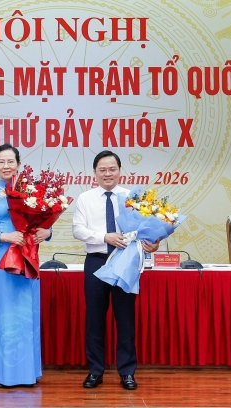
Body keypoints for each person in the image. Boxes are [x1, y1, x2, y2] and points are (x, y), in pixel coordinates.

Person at [72, 150, 159, 391]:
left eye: (112, 169)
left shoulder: (132, 198)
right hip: (96, 261)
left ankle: (127, 372)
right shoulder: (85, 198)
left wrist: (154, 242)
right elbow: (78, 230)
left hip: (125, 261)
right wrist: (104, 236)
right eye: (102, 169)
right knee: (94, 319)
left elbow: (147, 230)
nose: (107, 173)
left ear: (120, 171)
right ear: (95, 173)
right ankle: (95, 371)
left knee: (125, 318)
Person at [0, 144, 51, 387]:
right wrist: (4, 236)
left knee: (25, 314)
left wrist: (46, 232)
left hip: (26, 258)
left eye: (11, 161)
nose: (6, 166)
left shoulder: (31, 192)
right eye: (2, 161)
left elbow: (45, 224)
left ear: (18, 164)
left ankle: (26, 374)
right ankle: (1, 375)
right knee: (1, 314)